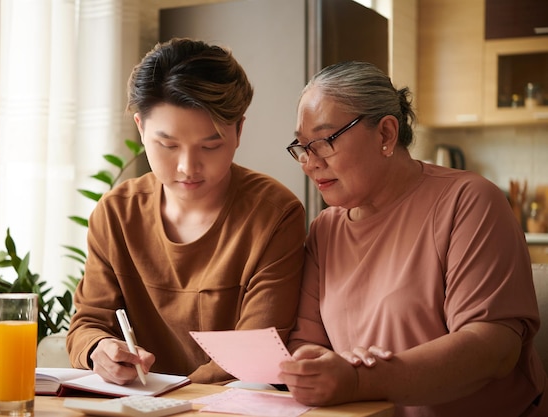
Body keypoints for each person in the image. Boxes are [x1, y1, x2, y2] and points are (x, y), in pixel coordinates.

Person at [278, 60, 547, 416]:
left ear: (386, 135)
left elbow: (493, 347)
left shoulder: (469, 201)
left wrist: (360, 380)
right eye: (302, 146)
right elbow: (307, 342)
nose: (309, 162)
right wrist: (312, 368)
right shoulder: (325, 229)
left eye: (324, 141)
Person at [66, 38, 306, 385]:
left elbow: (254, 354)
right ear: (140, 128)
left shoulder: (274, 215)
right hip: (137, 404)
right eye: (168, 145)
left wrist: (171, 399)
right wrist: (99, 349)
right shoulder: (116, 213)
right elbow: (88, 323)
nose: (187, 167)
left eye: (210, 145)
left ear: (239, 130)